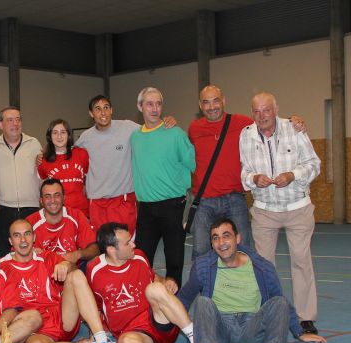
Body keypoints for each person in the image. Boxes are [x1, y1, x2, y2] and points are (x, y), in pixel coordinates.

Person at [177, 218, 326, 343]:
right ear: (212, 244)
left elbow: (281, 303)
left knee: (279, 302)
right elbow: (185, 298)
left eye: (226, 235)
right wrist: (165, 329)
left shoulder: (262, 267)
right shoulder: (203, 266)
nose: (221, 242)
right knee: (202, 302)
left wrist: (300, 332)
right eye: (215, 238)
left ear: (238, 238)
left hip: (252, 330)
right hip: (220, 331)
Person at [187, 85, 308, 261]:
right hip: (204, 201)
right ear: (200, 105)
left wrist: (293, 121)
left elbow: (268, 121)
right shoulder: (194, 129)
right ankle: (204, 289)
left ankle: (242, 288)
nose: (211, 106)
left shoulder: (242, 123)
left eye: (216, 101)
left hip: (234, 199)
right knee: (201, 252)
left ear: (224, 101)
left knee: (242, 252)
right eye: (206, 102)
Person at [239, 92, 321, 335]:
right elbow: (244, 172)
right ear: (252, 113)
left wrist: (292, 175)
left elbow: (314, 164)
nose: (262, 115)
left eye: (266, 110)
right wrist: (254, 179)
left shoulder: (294, 129)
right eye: (256, 111)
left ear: (276, 110)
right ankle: (269, 313)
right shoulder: (246, 135)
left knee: (301, 261)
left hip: (298, 207)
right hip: (264, 211)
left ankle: (306, 318)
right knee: (264, 266)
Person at [0, 219, 125, 343]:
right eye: (17, 235)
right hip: (33, 329)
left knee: (76, 275)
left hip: (63, 320)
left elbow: (75, 272)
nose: (23, 240)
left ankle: (102, 340)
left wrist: (66, 264)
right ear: (10, 240)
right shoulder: (1, 267)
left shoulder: (47, 257)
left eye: (27, 234)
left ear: (34, 237)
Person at [88, 222, 196, 343]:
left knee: (155, 289)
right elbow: (93, 306)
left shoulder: (139, 257)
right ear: (111, 250)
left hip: (158, 320)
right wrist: (95, 335)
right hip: (139, 336)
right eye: (127, 243)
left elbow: (153, 278)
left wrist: (166, 282)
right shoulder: (95, 271)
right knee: (127, 341)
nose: (134, 244)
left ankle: (197, 339)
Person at [75, 95, 178, 235]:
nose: (103, 113)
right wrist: (43, 155)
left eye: (106, 108)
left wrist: (166, 122)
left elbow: (151, 130)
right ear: (91, 114)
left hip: (122, 200)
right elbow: (66, 153)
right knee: (102, 246)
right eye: (98, 109)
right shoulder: (85, 137)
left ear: (112, 110)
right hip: (97, 202)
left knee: (125, 246)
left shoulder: (128, 127)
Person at [130, 87, 195, 286]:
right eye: (149, 104)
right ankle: (145, 306)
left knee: (174, 260)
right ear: (140, 106)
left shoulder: (175, 133)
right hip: (146, 208)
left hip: (173, 205)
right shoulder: (134, 137)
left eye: (158, 103)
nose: (155, 108)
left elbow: (193, 165)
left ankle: (174, 308)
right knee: (141, 260)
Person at [0, 107, 42, 257]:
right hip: (4, 210)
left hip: (32, 209)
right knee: (5, 255)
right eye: (10, 120)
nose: (15, 123)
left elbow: (44, 173)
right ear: (0, 124)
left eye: (18, 119)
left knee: (34, 254)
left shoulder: (34, 143)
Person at [26, 179, 98, 264]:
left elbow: (95, 249)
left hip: (72, 271)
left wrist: (78, 254)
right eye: (47, 196)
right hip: (42, 272)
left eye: (57, 195)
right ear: (41, 201)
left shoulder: (76, 216)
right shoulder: (30, 222)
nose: (53, 200)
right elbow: (16, 253)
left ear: (64, 198)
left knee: (95, 261)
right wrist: (29, 252)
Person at [37, 119, 90, 218]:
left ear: (68, 135)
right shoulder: (43, 160)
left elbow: (89, 183)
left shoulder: (82, 154)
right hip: (57, 215)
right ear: (50, 136)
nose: (59, 136)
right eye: (55, 133)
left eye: (63, 132)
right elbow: (43, 192)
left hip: (82, 212)